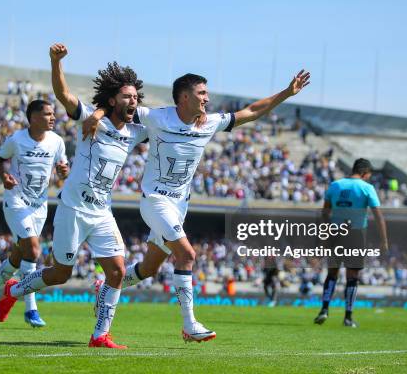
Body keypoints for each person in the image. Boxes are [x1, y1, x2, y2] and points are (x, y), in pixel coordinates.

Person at [86, 69, 310, 342]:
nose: (207, 98)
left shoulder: (209, 122)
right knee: (187, 255)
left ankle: (104, 287)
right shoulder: (157, 117)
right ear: (184, 97)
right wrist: (97, 114)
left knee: (148, 269)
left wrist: (287, 92)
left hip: (180, 205)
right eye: (201, 93)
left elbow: (251, 111)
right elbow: (120, 108)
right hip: (155, 200)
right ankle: (189, 325)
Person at [0, 43, 148, 349]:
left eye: (135, 96)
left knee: (117, 270)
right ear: (112, 98)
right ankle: (12, 290)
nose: (132, 100)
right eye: (126, 96)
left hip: (102, 211)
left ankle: (99, 335)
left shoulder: (136, 130)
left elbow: (168, 122)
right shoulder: (91, 118)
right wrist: (56, 62)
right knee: (60, 274)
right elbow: (64, 94)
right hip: (73, 208)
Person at [0, 99, 68, 328]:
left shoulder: (57, 141)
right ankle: (31, 310)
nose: (52, 118)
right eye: (47, 114)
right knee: (34, 249)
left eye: (53, 114)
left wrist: (63, 171)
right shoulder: (17, 140)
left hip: (40, 206)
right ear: (33, 117)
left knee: (21, 255)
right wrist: (3, 177)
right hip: (16, 201)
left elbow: (62, 170)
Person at [314, 158, 389, 328]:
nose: (369, 178)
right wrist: (384, 241)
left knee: (332, 272)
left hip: (335, 232)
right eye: (368, 175)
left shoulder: (335, 185)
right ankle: (348, 317)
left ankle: (324, 310)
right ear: (364, 173)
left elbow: (325, 213)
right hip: (356, 234)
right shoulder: (367, 188)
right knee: (352, 276)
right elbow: (378, 216)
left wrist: (324, 235)